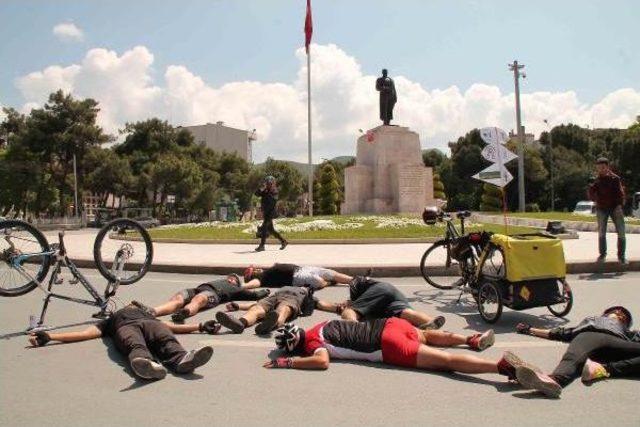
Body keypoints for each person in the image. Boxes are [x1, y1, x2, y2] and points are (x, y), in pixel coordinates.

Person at [263, 320, 533, 388]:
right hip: (390, 324)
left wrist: (287, 362)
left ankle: (501, 367)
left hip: (387, 345)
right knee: (426, 336)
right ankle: (470, 339)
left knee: (445, 363)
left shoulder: (311, 345)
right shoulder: (320, 325)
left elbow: (322, 362)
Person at [28, 303, 219, 380]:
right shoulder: (109, 321)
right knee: (134, 345)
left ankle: (182, 360)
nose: (132, 304)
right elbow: (85, 333)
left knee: (165, 338)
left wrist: (201, 325)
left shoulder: (147, 313)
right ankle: (147, 365)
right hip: (125, 327)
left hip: (150, 323)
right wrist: (50, 337)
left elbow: (172, 326)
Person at [514, 306, 639, 398]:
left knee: (573, 358)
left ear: (625, 322)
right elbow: (561, 333)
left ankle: (602, 369)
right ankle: (553, 381)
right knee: (572, 359)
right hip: (588, 336)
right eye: (616, 311)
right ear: (605, 314)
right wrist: (529, 329)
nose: (619, 313)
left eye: (623, 315)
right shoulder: (592, 320)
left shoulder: (629, 333)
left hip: (616, 343)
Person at [315, 276, 446, 330]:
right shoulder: (370, 291)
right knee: (405, 313)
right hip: (391, 293)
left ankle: (355, 331)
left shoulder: (359, 287)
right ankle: (431, 323)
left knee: (351, 312)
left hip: (379, 290)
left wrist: (350, 307)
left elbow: (349, 309)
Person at [146, 274, 270, 323]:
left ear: (237, 283)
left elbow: (254, 295)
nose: (231, 278)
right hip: (198, 288)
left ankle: (185, 312)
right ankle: (153, 311)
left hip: (214, 294)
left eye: (234, 278)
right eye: (230, 276)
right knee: (178, 298)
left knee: (199, 300)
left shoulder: (237, 289)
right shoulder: (220, 280)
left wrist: (265, 291)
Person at [216, 286, 316, 335]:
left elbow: (324, 305)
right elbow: (256, 303)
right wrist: (238, 306)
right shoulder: (285, 287)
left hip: (291, 300)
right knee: (256, 308)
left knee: (283, 310)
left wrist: (332, 308)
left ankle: (270, 325)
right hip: (273, 297)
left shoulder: (307, 296)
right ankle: (240, 323)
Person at [587, 157, 627, 265]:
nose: (601, 170)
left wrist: (619, 205)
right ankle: (602, 254)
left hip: (615, 207)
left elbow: (620, 193)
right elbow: (591, 197)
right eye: (599, 168)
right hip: (601, 208)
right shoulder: (596, 180)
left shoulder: (615, 179)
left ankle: (622, 256)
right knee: (601, 232)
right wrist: (590, 187)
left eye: (603, 167)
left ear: (607, 167)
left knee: (621, 232)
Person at [243, 264, 352, 290]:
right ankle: (329, 283)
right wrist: (241, 286)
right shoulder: (261, 279)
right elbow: (252, 284)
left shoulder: (266, 271)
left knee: (331, 273)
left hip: (303, 269)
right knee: (318, 282)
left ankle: (357, 281)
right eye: (254, 271)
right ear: (253, 276)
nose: (257, 269)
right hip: (297, 277)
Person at [255, 176, 287, 252]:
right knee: (271, 230)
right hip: (266, 212)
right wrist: (261, 189)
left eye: (269, 183)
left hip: (271, 213)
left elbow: (272, 201)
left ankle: (262, 246)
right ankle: (284, 241)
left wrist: (267, 192)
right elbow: (256, 194)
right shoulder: (265, 191)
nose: (267, 184)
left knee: (264, 228)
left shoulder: (274, 191)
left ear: (272, 183)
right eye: (266, 183)